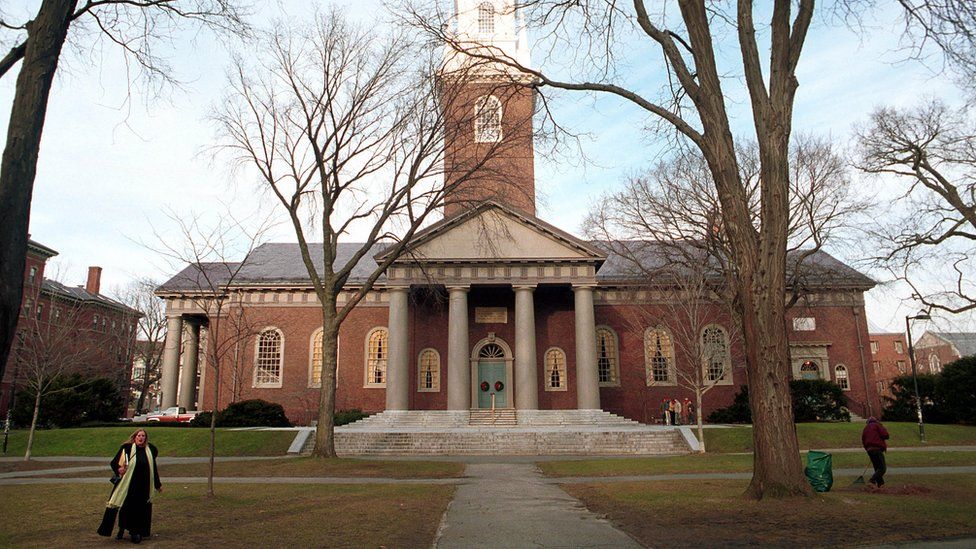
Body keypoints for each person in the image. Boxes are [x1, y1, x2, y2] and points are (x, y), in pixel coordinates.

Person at [97, 428, 162, 543]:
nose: (141, 438)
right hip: (129, 485)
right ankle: (128, 531)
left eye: (143, 436)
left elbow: (153, 469)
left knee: (141, 509)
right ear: (134, 437)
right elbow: (114, 463)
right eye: (139, 436)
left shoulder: (150, 450)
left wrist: (158, 484)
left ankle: (137, 531)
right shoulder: (127, 448)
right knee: (127, 508)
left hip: (144, 486)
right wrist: (119, 469)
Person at [861, 417, 890, 489]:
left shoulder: (865, 428)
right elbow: (886, 435)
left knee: (877, 468)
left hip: (869, 450)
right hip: (877, 449)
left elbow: (863, 440)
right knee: (882, 468)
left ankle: (881, 485)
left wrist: (868, 449)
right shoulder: (877, 425)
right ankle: (872, 481)